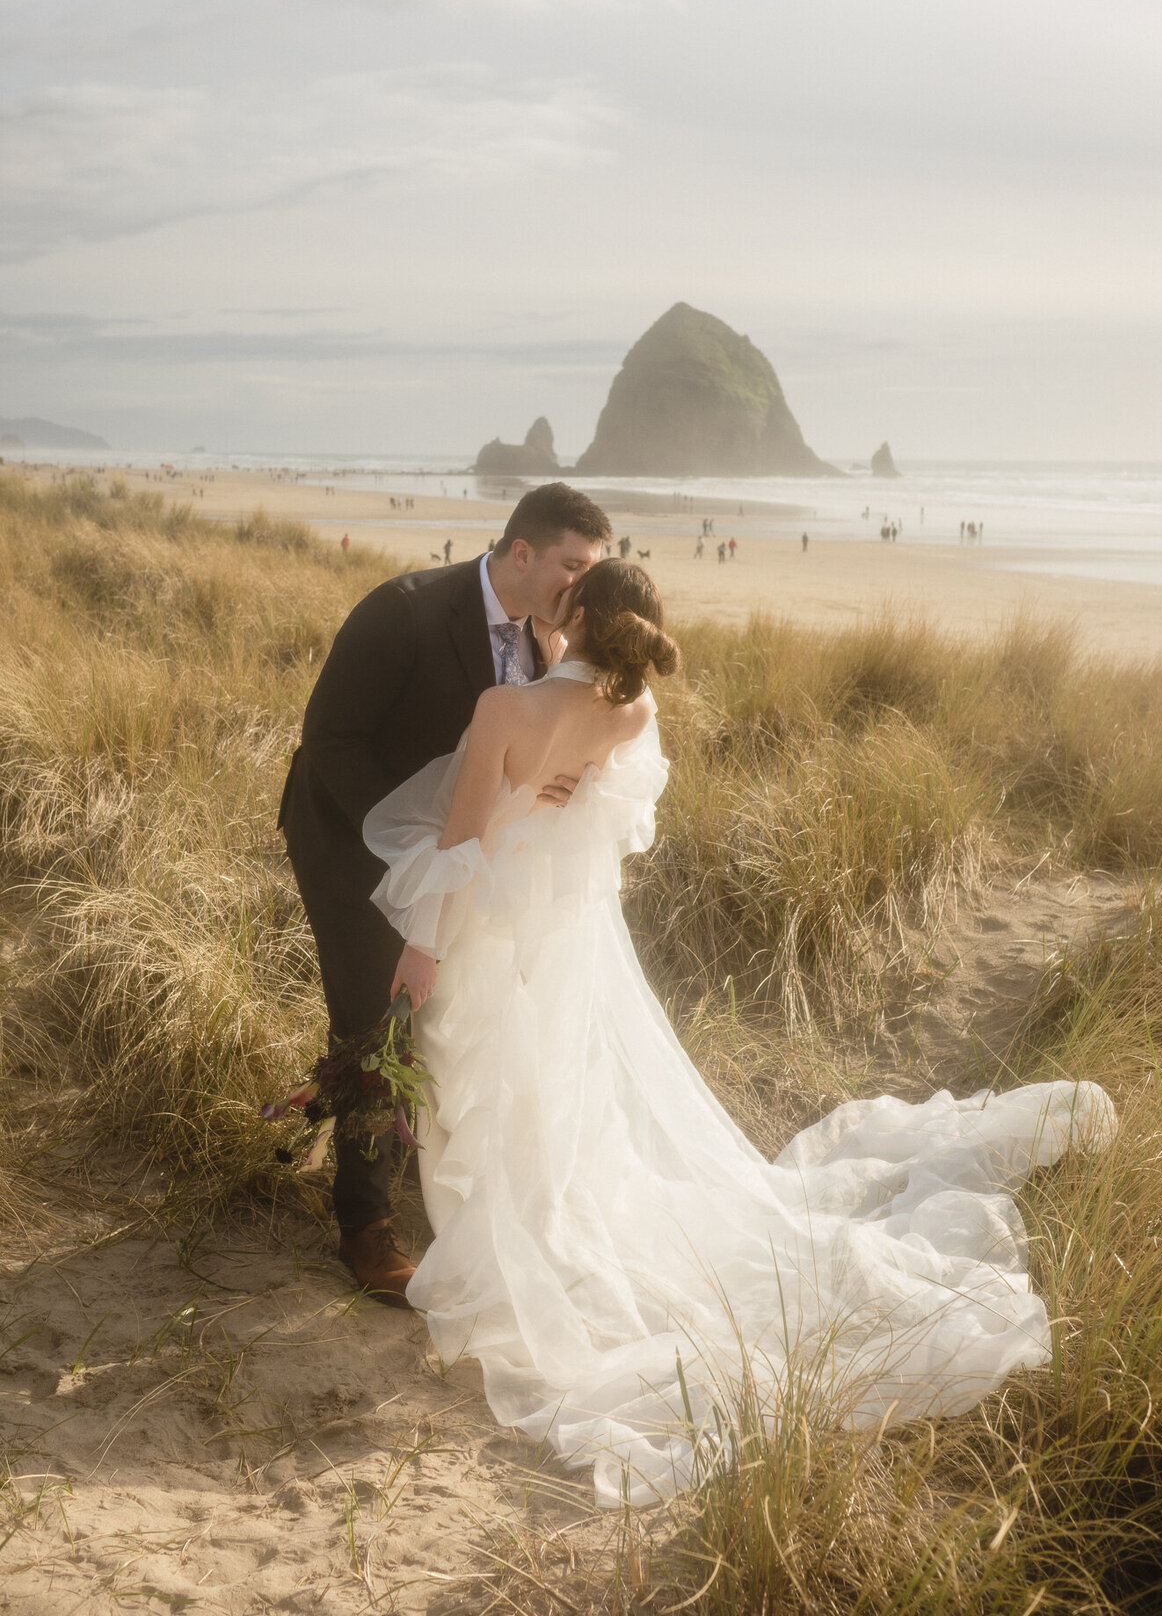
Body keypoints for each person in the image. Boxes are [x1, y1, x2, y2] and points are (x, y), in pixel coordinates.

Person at [363, 559, 1115, 1507]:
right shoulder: (630, 714)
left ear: (578, 614)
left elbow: (462, 845)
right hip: (571, 933)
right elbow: (602, 802)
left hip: (496, 926)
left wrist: (421, 951)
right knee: (561, 1077)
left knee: (490, 1073)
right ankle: (544, 1216)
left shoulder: (501, 712)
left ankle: (514, 1235)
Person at [279, 482, 611, 1301]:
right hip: (349, 842)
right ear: (522, 552)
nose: (581, 586)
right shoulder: (403, 609)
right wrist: (410, 849)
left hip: (456, 865)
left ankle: (428, 1185)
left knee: (441, 1010)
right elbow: (329, 739)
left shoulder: (550, 641)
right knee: (375, 1018)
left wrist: (552, 789)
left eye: (594, 570)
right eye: (572, 565)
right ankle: (364, 1229)